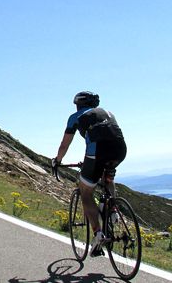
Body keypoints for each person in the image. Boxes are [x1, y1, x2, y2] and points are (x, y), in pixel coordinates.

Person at [52, 91, 127, 257]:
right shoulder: (108, 112)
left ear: (78, 104)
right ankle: (113, 209)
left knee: (86, 193)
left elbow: (65, 145)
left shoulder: (75, 117)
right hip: (120, 149)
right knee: (108, 177)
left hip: (97, 152)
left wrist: (57, 160)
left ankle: (98, 234)